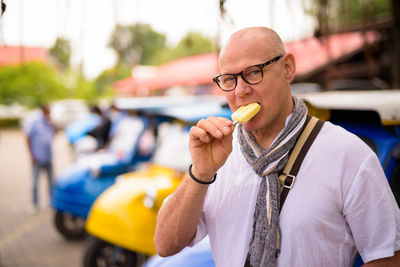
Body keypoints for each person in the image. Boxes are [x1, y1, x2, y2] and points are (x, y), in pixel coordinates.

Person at [154, 27, 400, 266]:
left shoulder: (348, 154)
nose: (240, 91)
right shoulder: (217, 158)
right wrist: (200, 172)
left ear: (287, 68)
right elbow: (166, 244)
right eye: (229, 79)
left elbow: (388, 257)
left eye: (252, 73)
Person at [24, 105, 55, 214]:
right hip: (37, 156)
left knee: (51, 182)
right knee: (35, 183)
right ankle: (34, 203)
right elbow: (27, 137)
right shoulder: (35, 122)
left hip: (48, 157)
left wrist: (52, 123)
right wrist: (31, 155)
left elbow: (53, 135)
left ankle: (51, 201)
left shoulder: (48, 122)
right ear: (44, 110)